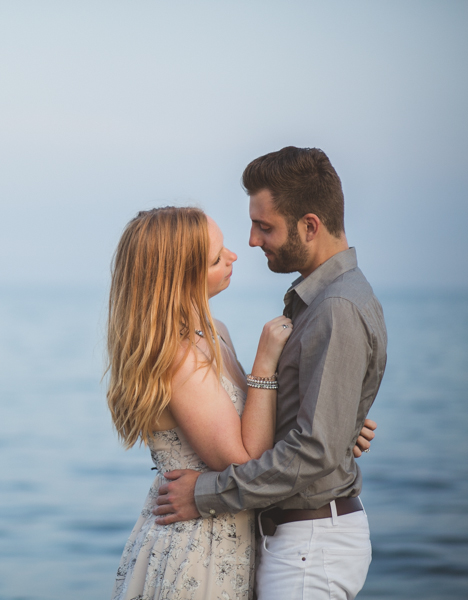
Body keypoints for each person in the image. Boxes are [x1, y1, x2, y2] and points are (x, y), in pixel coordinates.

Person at [152, 147, 387, 600]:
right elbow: (319, 437)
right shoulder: (320, 301)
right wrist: (339, 429)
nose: (253, 241)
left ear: (310, 226)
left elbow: (313, 452)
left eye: (265, 227)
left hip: (310, 546)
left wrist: (205, 494)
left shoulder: (335, 308)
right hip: (295, 542)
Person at [107, 205, 353, 599]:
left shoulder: (213, 330)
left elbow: (256, 422)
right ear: (181, 278)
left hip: (228, 534)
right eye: (217, 257)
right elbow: (244, 459)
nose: (234, 256)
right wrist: (265, 361)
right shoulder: (177, 356)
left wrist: (330, 424)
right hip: (197, 547)